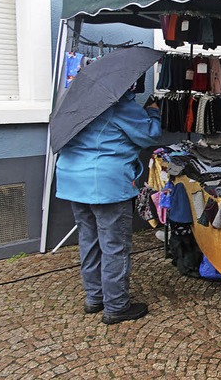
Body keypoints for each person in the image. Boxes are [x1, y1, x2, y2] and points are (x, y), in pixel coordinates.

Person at [55, 90, 162, 325]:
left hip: (73, 179)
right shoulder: (119, 105)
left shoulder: (75, 102)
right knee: (114, 245)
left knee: (89, 239)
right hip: (105, 182)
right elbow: (148, 135)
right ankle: (116, 305)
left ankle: (94, 298)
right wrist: (153, 111)